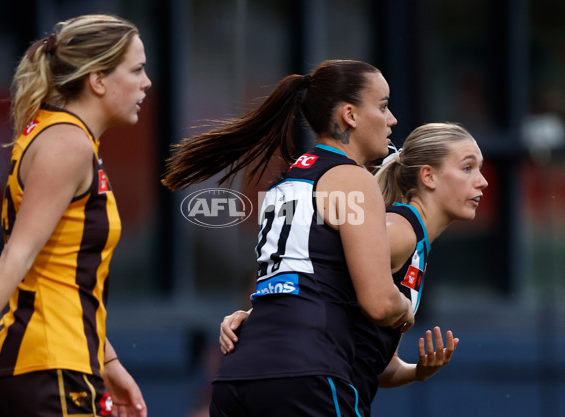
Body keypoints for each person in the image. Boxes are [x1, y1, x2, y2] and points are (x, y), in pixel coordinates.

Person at [162, 59, 414, 416]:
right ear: (350, 115)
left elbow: (296, 277)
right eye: (384, 106)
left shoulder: (287, 182)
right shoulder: (351, 180)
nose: (392, 121)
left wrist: (251, 313)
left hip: (238, 374)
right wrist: (405, 308)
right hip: (307, 373)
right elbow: (379, 303)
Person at [219, 122, 488, 416]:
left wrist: (418, 371)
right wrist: (259, 312)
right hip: (312, 384)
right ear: (428, 176)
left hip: (270, 378)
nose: (482, 181)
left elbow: (376, 363)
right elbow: (315, 260)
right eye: (467, 168)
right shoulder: (400, 230)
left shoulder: (412, 238)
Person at [0, 14, 151, 417]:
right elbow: (17, 256)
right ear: (98, 79)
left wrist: (108, 364)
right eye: (137, 70)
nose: (147, 83)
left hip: (58, 363)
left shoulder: (61, 135)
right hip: (51, 363)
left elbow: (57, 270)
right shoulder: (68, 143)